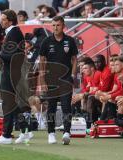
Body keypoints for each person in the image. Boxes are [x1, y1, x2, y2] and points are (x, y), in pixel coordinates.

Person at [0, 9, 25, 144]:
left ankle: (7, 135)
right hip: (11, 71)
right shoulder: (13, 32)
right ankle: (26, 130)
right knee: (12, 103)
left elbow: (14, 56)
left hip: (11, 72)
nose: (1, 21)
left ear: (10, 20)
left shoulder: (14, 33)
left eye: (3, 19)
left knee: (8, 103)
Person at [39, 16, 78, 145]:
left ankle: (67, 132)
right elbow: (42, 61)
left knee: (67, 106)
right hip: (50, 80)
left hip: (66, 79)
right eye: (53, 25)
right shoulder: (46, 41)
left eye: (58, 25)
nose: (55, 28)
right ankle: (51, 133)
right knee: (51, 107)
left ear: (63, 26)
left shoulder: (70, 41)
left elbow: (74, 59)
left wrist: (73, 75)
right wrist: (42, 81)